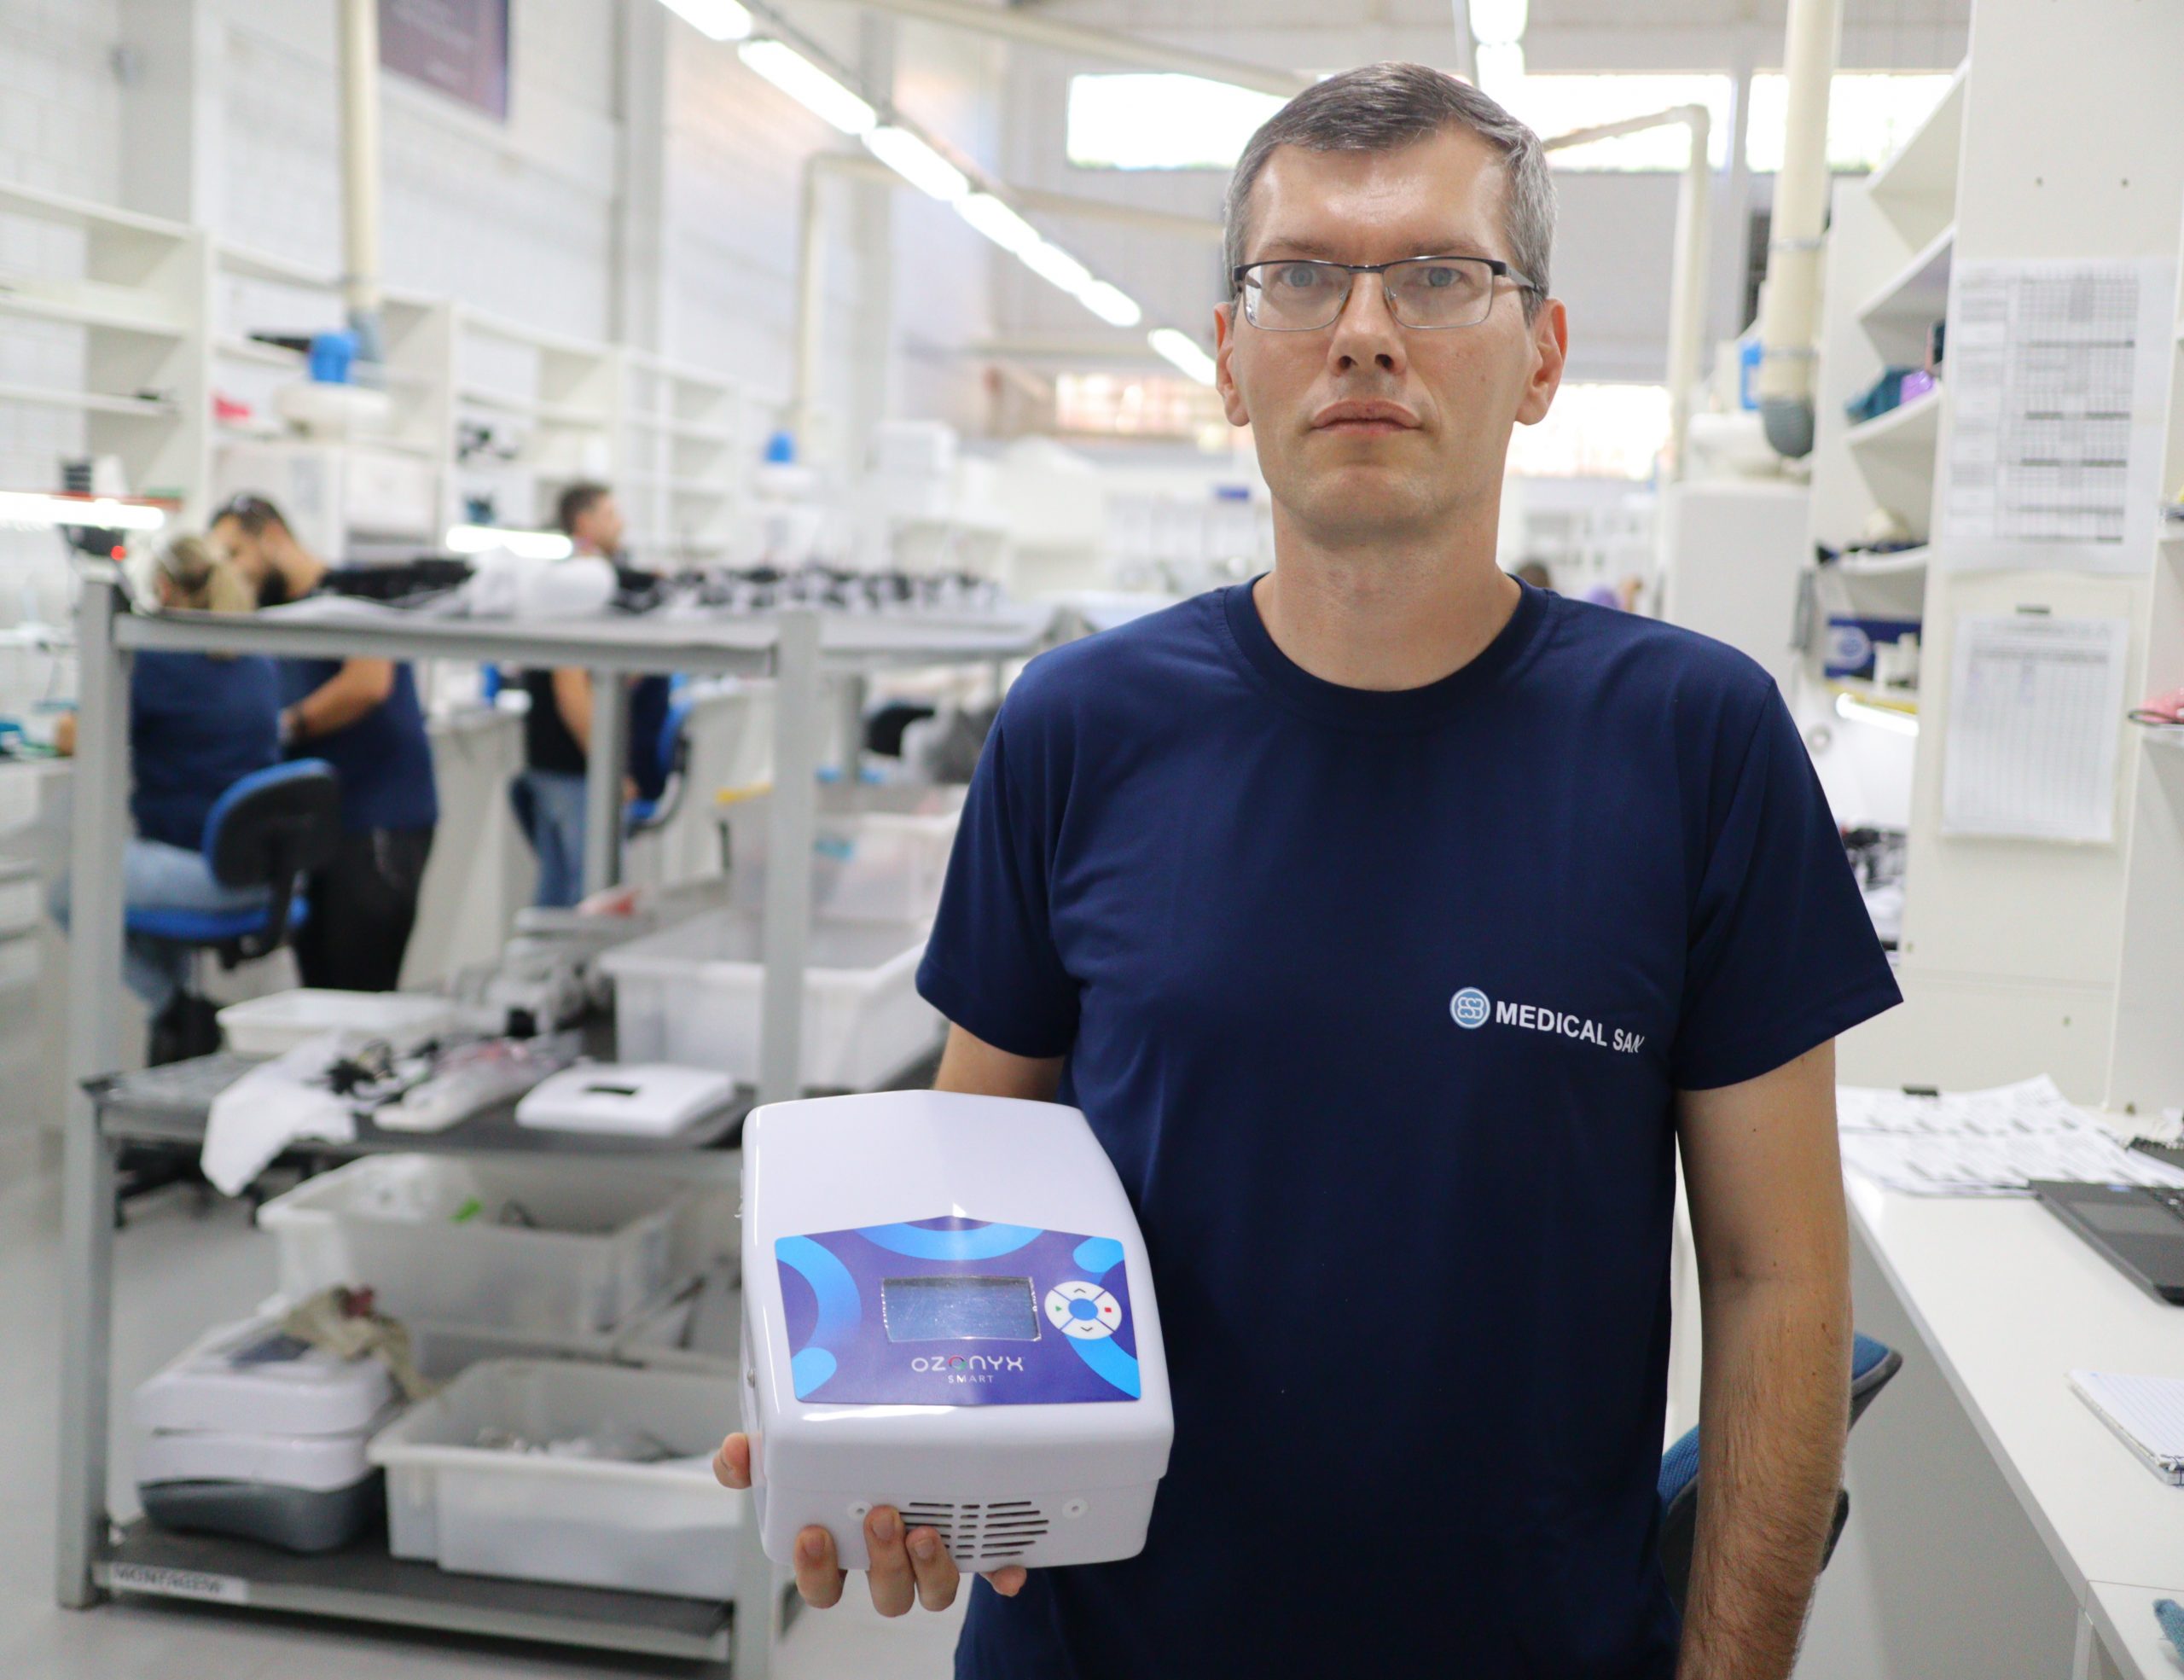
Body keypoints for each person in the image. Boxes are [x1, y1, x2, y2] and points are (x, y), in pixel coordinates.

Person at [713, 62, 1900, 1680]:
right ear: (1228, 355)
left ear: (1544, 356)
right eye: (1299, 278)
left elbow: (1777, 1278)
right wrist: (877, 1435)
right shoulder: (1078, 726)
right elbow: (965, 1201)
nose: (1363, 331)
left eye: (1439, 275)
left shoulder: (1695, 741)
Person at [50, 537, 281, 1049]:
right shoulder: (257, 660)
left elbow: (75, 735)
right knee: (140, 884)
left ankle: (174, 1010)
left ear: (163, 588)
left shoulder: (158, 662)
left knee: (69, 895)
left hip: (204, 873)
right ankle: (177, 1028)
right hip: (267, 872)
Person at [209, 493, 438, 991]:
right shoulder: (277, 613)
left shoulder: (348, 594)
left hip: (377, 821)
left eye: (235, 553)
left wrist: (286, 726)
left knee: (359, 986)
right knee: (320, 987)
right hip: (321, 828)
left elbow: (368, 684)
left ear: (273, 537)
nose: (232, 571)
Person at [514, 482, 671, 907]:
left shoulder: (579, 582)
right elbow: (571, 690)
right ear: (584, 522)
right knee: (590, 899)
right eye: (610, 515)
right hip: (574, 772)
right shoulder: (580, 585)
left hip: (559, 767)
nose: (621, 525)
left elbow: (598, 678)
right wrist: (610, 770)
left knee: (558, 896)